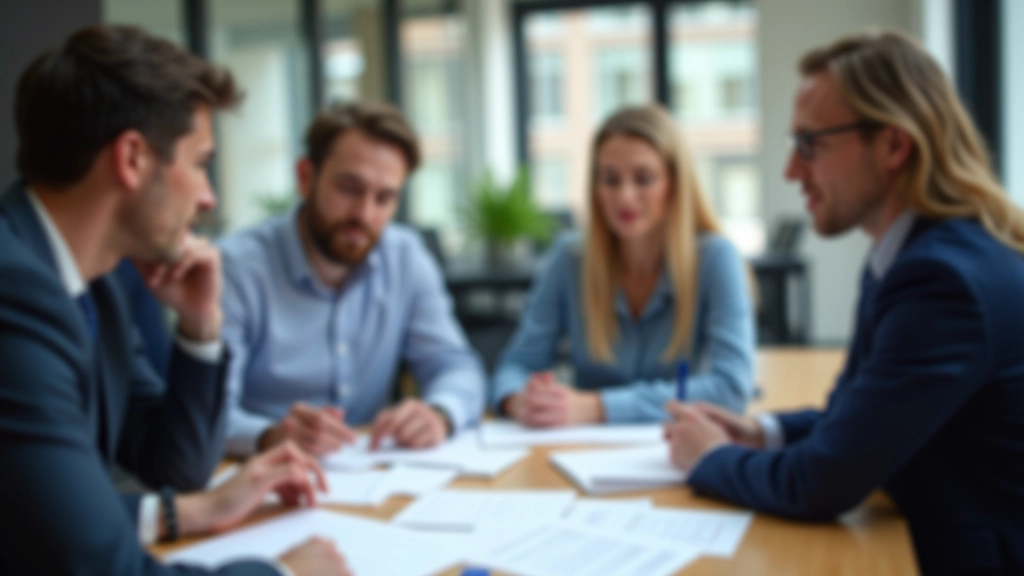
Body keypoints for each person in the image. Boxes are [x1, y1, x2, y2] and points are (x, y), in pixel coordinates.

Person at [665, 30, 1024, 574]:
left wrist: (711, 458)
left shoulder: (942, 282)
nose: (791, 170)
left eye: (811, 144)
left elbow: (820, 483)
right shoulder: (909, 255)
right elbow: (855, 417)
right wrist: (760, 432)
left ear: (894, 146)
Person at [0, 24, 349, 575]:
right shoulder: (15, 298)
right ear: (133, 158)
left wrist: (199, 323)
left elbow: (173, 464)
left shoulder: (101, 285)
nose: (209, 197)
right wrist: (283, 574)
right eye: (200, 162)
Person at [219, 102, 485, 458]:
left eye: (384, 198)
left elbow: (457, 367)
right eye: (349, 188)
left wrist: (439, 412)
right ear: (305, 177)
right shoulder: (236, 268)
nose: (364, 214)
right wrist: (271, 435)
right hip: (257, 480)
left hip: (369, 479)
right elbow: (205, 416)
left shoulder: (405, 256)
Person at [492, 104, 756, 427]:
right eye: (610, 179)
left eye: (644, 179)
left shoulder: (717, 258)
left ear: (674, 182)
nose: (625, 197)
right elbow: (515, 366)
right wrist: (521, 401)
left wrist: (597, 407)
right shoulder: (569, 259)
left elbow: (730, 388)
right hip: (583, 456)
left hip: (679, 449)